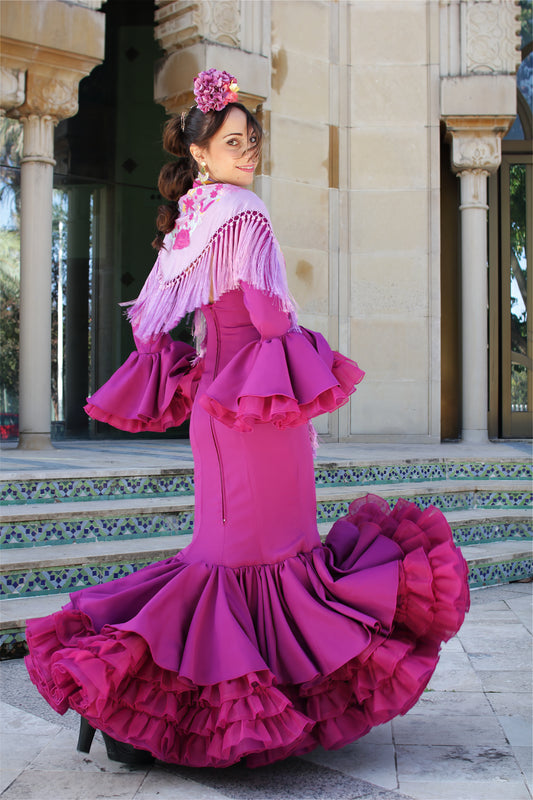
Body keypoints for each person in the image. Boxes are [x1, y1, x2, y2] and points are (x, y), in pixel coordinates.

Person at [25, 69, 470, 769]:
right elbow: (269, 319)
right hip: (261, 418)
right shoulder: (245, 212)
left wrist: (203, 364)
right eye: (235, 141)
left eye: (253, 139)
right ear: (200, 151)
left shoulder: (188, 221)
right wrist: (297, 342)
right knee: (263, 559)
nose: (249, 151)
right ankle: (182, 708)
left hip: (216, 410)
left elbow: (148, 329)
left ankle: (130, 704)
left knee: (221, 559)